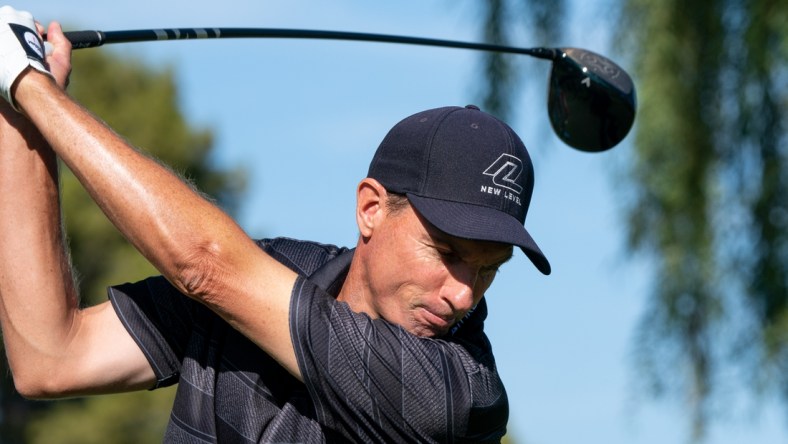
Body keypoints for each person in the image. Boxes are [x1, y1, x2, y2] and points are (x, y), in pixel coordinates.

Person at [0, 6, 550, 443]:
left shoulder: (457, 395)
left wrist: (29, 82)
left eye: (487, 269)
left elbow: (206, 266)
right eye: (447, 251)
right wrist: (17, 111)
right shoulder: (280, 271)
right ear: (371, 209)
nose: (462, 294)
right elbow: (51, 358)